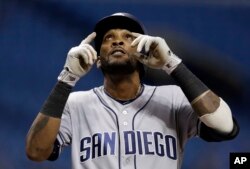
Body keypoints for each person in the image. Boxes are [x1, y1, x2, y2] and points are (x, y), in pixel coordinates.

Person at [25, 12, 239, 169]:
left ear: (142, 54)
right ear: (98, 60)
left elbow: (225, 126)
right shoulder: (76, 103)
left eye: (128, 37)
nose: (117, 40)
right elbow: (35, 152)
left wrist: (172, 63)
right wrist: (67, 77)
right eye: (108, 38)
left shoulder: (172, 97)